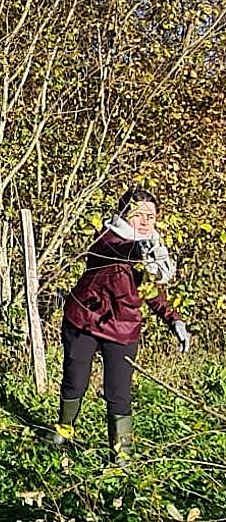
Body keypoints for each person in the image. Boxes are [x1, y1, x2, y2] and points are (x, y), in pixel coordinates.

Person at [48, 185, 189, 461]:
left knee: (119, 393)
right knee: (75, 382)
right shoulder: (107, 237)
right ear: (124, 215)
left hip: (123, 330)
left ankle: (121, 455)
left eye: (151, 215)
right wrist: (137, 248)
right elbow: (113, 248)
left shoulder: (153, 253)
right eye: (139, 215)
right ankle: (63, 431)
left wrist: (174, 320)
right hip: (83, 322)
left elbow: (152, 292)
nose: (146, 221)